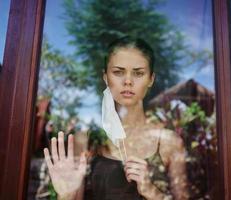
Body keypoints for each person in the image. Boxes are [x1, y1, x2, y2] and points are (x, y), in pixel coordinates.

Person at [44, 36, 189, 200]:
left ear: (151, 79)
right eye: (118, 72)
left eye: (138, 73)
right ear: (106, 77)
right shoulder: (85, 141)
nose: (128, 81)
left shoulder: (168, 142)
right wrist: (66, 195)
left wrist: (151, 191)